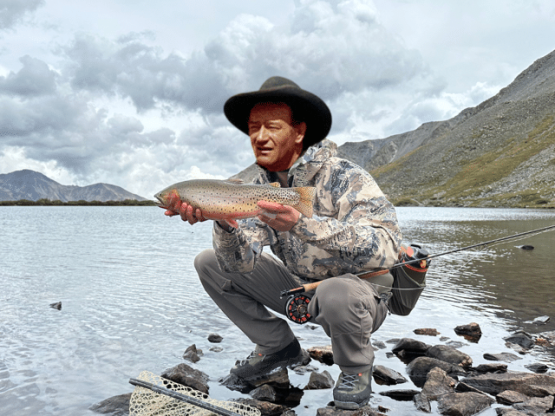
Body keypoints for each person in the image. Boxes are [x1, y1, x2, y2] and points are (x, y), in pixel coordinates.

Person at [163, 76, 402, 410]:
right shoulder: (259, 188)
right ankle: (278, 347)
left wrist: (304, 225)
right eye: (254, 128)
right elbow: (239, 265)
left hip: (360, 296)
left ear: (299, 132)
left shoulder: (346, 176)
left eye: (272, 126)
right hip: (298, 291)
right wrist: (224, 223)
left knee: (338, 291)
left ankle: (355, 369)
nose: (260, 137)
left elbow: (387, 247)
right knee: (210, 262)